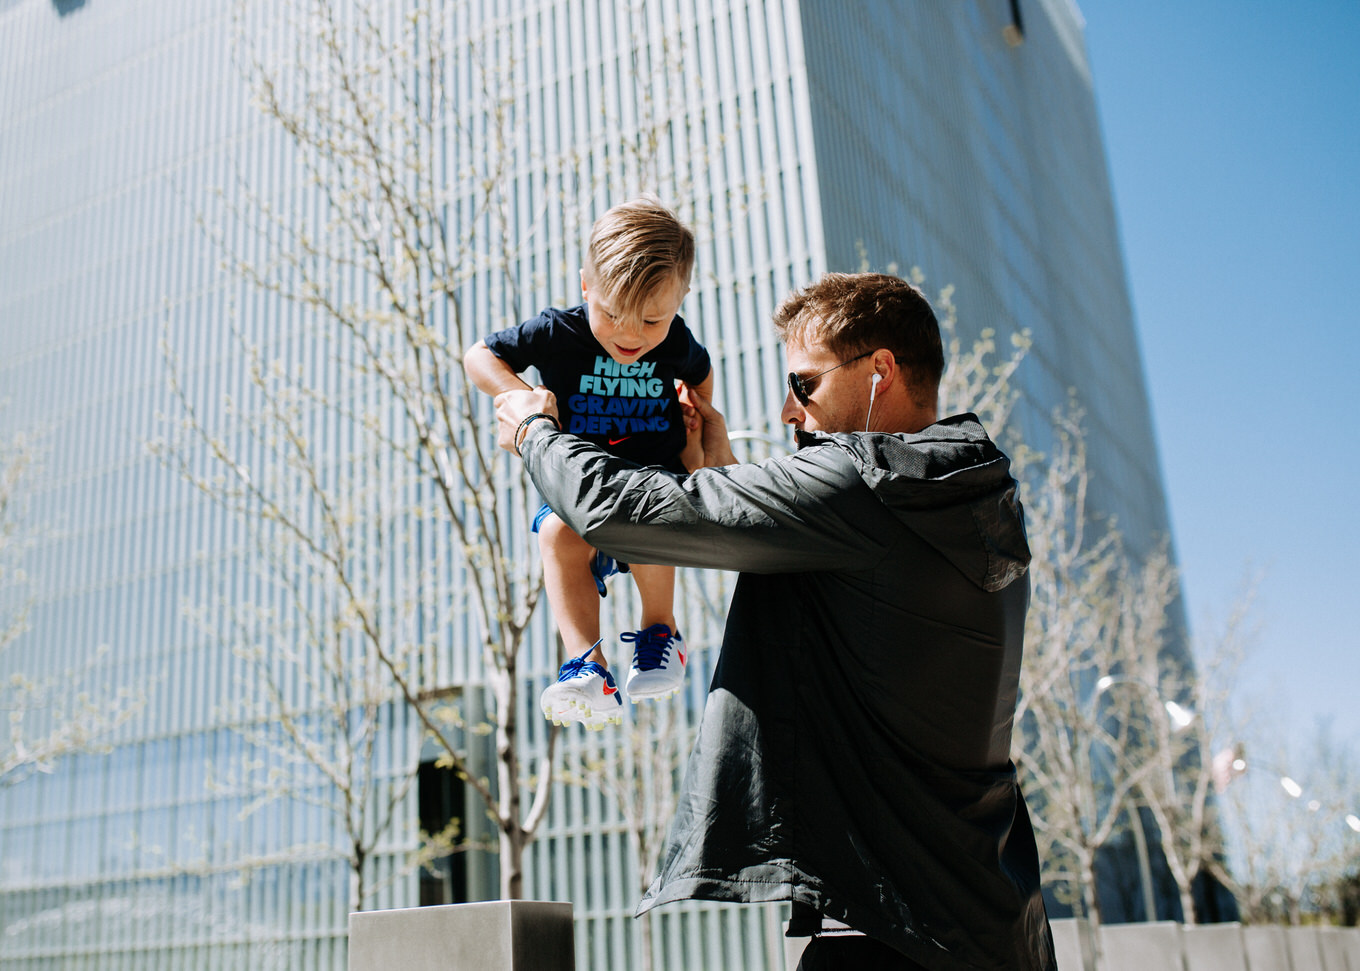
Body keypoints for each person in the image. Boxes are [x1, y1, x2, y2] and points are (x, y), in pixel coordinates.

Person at [495, 272, 1055, 969]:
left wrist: (534, 430)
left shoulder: (871, 486)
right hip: (991, 924)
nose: (790, 412)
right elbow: (828, 588)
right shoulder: (955, 494)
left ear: (881, 369)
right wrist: (721, 464)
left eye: (805, 384)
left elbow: (622, 513)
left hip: (890, 928)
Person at [465, 195, 714, 730]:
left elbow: (701, 371)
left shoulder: (678, 343)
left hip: (655, 474)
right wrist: (522, 396)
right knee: (556, 534)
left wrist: (699, 416)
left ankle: (659, 630)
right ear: (586, 287)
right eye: (611, 314)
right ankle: (586, 663)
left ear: (680, 300)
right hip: (579, 481)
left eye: (652, 320)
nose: (631, 336)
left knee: (651, 520)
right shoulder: (559, 331)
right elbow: (479, 355)